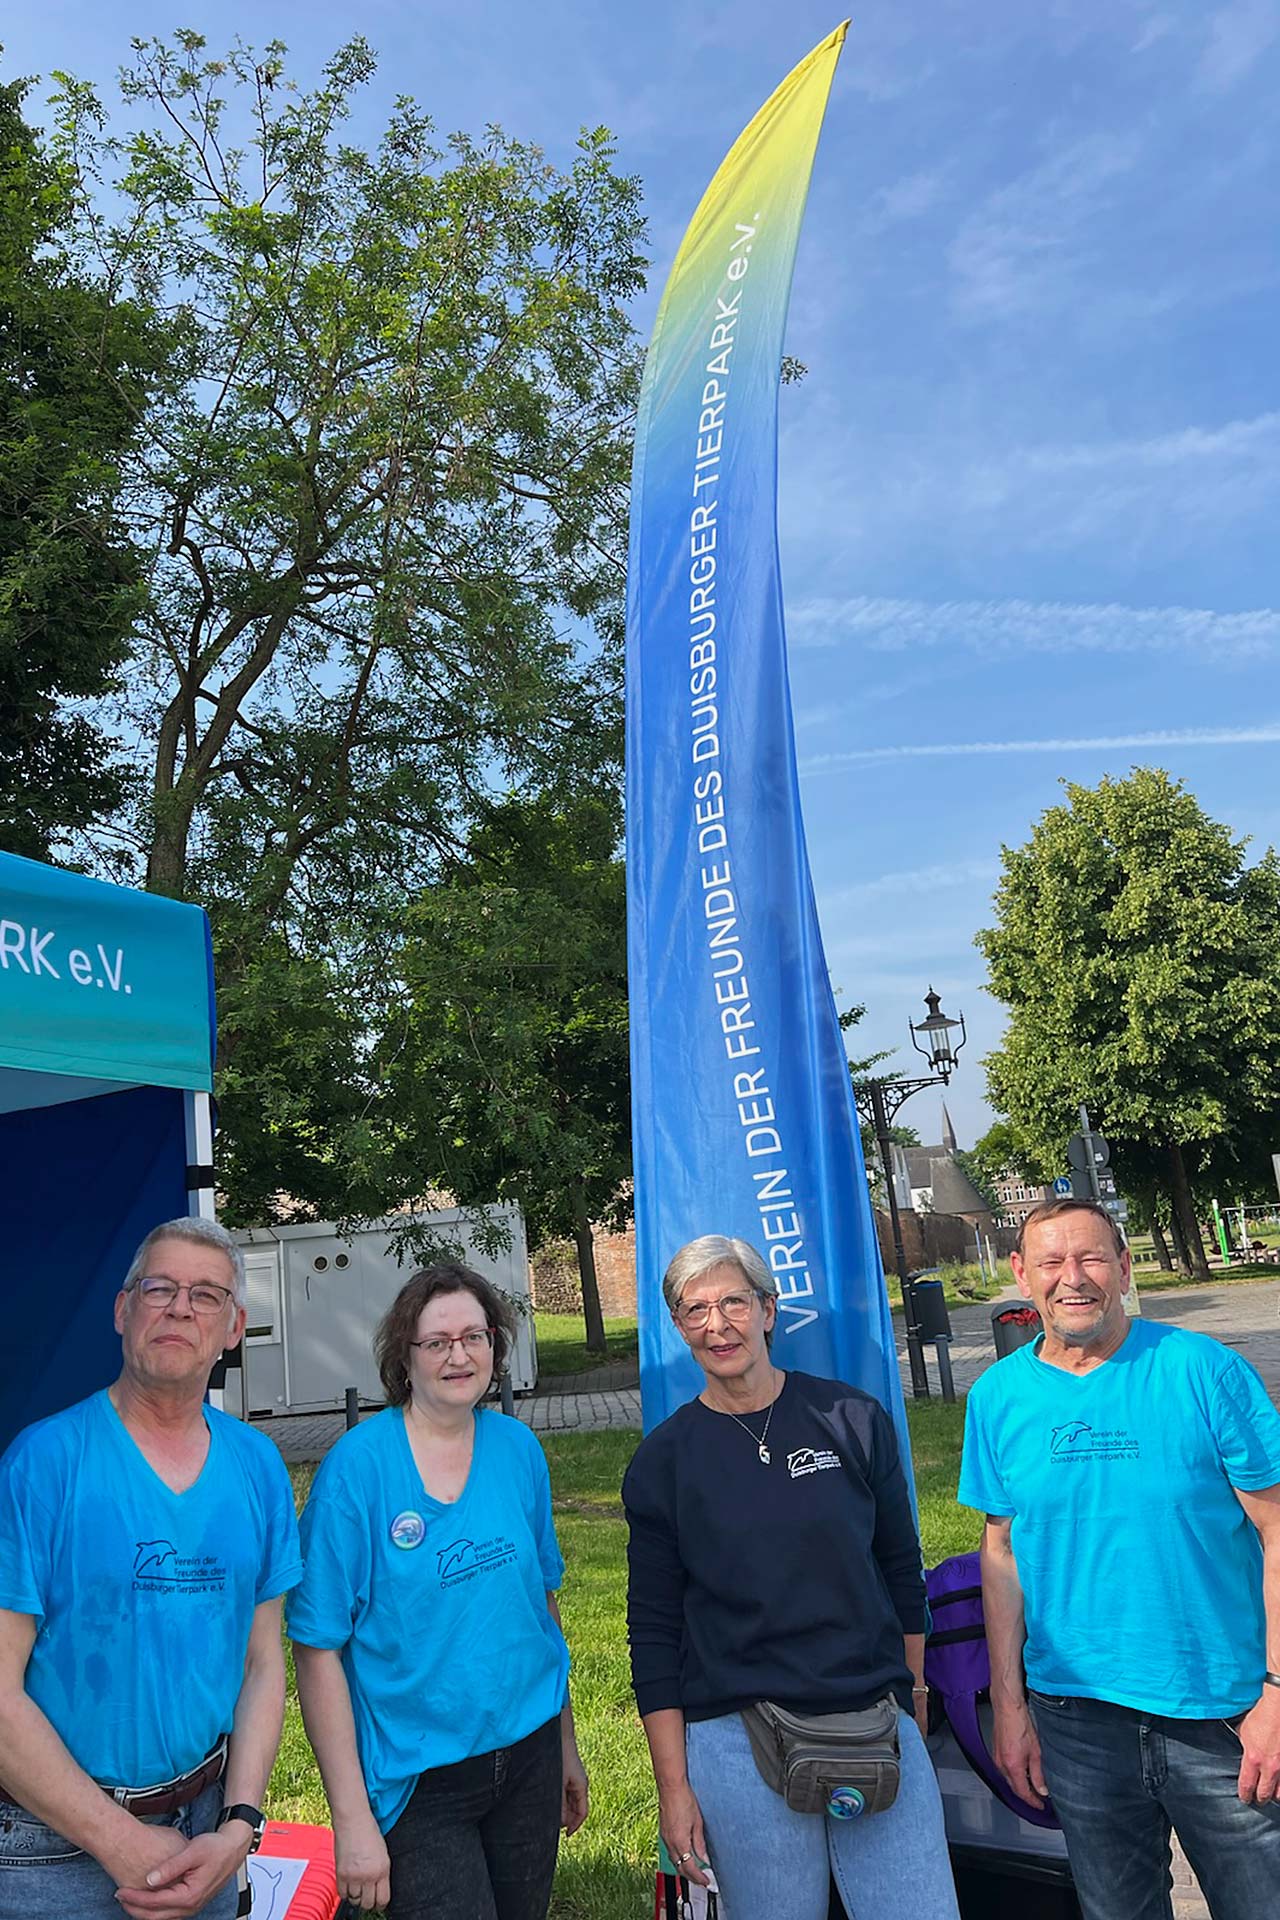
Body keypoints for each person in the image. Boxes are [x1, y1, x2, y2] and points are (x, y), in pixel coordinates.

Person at [959, 1196, 1280, 1920]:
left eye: (1092, 1256)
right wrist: (1010, 1709)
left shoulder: (1203, 1370)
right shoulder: (997, 1398)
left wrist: (1277, 1695)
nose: (1073, 1277)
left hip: (1221, 1712)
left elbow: (1277, 1532)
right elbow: (1001, 1551)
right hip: (1075, 1719)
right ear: (1020, 1273)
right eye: (1050, 1262)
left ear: (1125, 1266)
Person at [622, 1234, 960, 1920]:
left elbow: (899, 1568)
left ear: (769, 1310)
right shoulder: (664, 1463)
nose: (718, 1325)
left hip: (870, 1715)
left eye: (734, 1303)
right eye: (695, 1310)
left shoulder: (852, 1420)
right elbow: (652, 1634)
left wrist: (913, 1686)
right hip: (734, 1734)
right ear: (679, 1327)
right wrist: (674, 1787)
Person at [0, 1216, 302, 1920]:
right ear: (121, 1310)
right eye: (158, 1287)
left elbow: (262, 1665)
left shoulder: (257, 1467)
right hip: (49, 1852)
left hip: (206, 1835)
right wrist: (118, 1840)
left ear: (234, 1327)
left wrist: (239, 1825)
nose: (178, 1308)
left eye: (206, 1295)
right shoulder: (42, 1465)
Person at [288, 1262, 587, 1919]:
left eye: (474, 1337)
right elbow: (316, 1650)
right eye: (438, 1342)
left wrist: (566, 1744)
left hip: (530, 1752)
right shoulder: (357, 1471)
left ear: (495, 1346)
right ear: (405, 1356)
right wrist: (351, 1819)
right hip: (419, 1780)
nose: (460, 1355)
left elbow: (542, 1606)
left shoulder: (517, 1449)